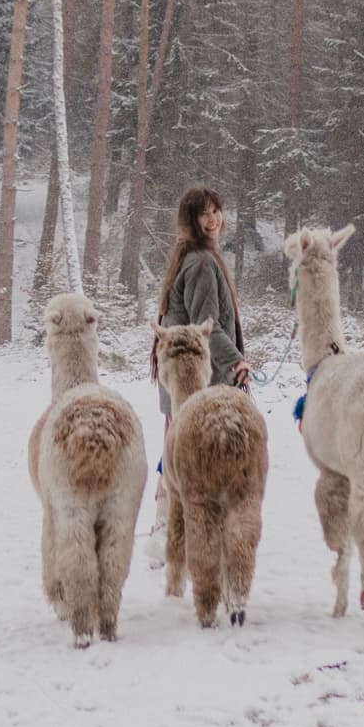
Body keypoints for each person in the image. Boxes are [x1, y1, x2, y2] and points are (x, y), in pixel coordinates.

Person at [146, 185, 251, 562]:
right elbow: (207, 326)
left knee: (176, 452)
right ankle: (169, 534)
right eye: (205, 213)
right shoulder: (203, 263)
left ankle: (165, 531)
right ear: (192, 219)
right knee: (190, 458)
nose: (214, 219)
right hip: (197, 381)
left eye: (217, 211)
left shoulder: (187, 257)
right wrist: (237, 360)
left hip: (178, 381)